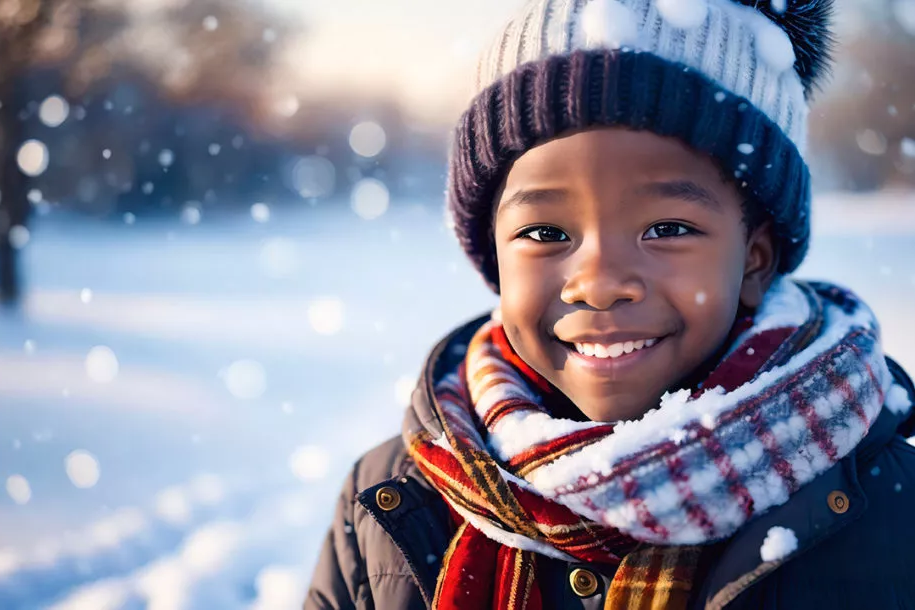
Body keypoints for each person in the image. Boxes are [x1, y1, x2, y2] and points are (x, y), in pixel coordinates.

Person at [305, 0, 915, 607]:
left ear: (754, 259)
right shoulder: (391, 500)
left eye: (667, 228)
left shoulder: (893, 517)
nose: (597, 283)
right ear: (495, 258)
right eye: (546, 234)